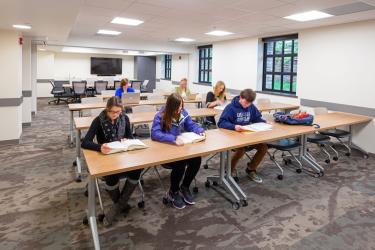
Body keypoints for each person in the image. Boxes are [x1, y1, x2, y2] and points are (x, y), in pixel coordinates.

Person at [81, 97, 141, 226]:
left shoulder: (124, 118)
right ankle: (121, 205)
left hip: (122, 154)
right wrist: (100, 147)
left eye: (118, 112)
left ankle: (117, 206)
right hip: (107, 156)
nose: (115, 115)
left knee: (137, 168)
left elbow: (129, 136)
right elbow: (85, 142)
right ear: (107, 109)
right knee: (112, 175)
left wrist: (127, 140)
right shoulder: (98, 120)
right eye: (112, 112)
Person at [151, 93, 205, 209]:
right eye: (178, 107)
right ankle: (173, 191)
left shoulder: (183, 113)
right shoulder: (160, 116)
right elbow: (155, 134)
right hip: (166, 151)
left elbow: (191, 125)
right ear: (171, 107)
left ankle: (185, 187)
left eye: (181, 106)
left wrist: (199, 130)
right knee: (180, 163)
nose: (181, 108)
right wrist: (173, 138)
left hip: (181, 148)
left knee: (196, 159)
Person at [218, 89, 268, 183]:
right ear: (241, 98)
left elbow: (257, 118)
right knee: (240, 150)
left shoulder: (251, 106)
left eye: (249, 103)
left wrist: (264, 123)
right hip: (233, 138)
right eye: (246, 102)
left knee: (263, 147)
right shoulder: (230, 108)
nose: (247, 105)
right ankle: (228, 171)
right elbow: (221, 123)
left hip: (248, 136)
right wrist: (234, 126)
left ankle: (251, 169)